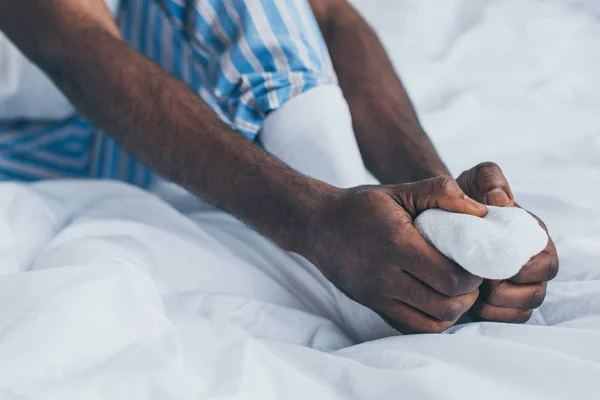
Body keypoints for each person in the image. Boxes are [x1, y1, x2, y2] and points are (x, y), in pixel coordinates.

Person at [0, 0, 558, 334]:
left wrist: (450, 203)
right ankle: (358, 217)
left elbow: (330, 14)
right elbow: (72, 40)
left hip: (120, 109)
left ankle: (428, 236)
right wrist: (313, 220)